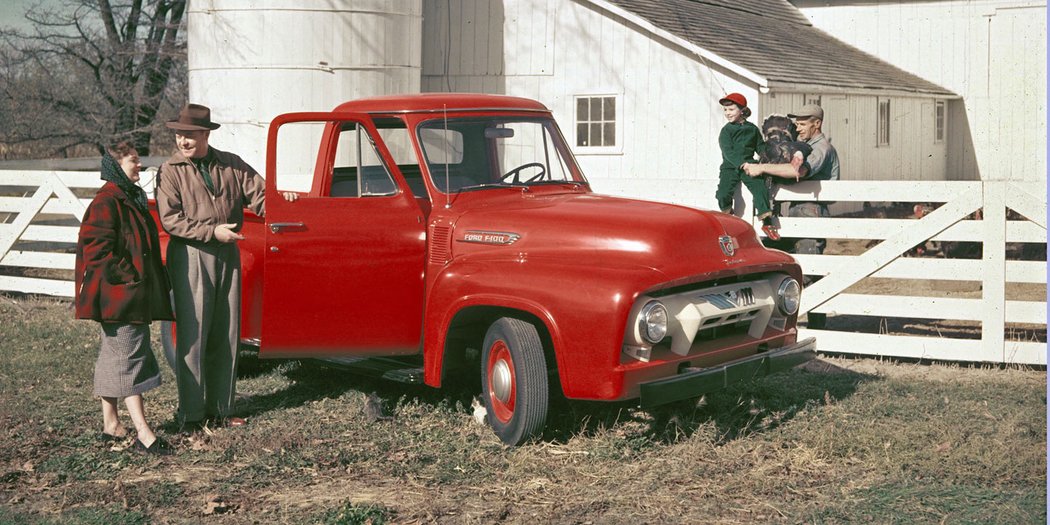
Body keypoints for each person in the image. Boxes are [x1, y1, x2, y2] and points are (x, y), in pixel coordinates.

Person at [156, 103, 297, 431]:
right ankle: (191, 415)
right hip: (191, 254)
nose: (183, 141)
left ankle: (221, 409)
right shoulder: (169, 171)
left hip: (227, 256)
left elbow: (261, 196)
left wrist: (284, 200)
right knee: (192, 336)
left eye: (190, 135)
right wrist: (211, 232)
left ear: (205, 134)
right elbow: (171, 219)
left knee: (226, 331)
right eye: (179, 135)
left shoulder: (230, 164)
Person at [75, 141, 175, 455]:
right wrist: (128, 278)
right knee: (131, 359)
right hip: (119, 298)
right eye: (134, 160)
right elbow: (96, 251)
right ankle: (144, 435)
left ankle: (111, 426)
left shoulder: (127, 197)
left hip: (123, 296)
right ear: (117, 164)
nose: (140, 165)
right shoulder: (107, 201)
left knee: (113, 358)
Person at [743, 103, 840, 328]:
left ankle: (818, 326)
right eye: (797, 123)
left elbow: (797, 171)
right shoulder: (802, 146)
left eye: (803, 123)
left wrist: (762, 168)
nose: (799, 127)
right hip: (792, 210)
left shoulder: (821, 148)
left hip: (810, 211)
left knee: (809, 270)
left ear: (817, 124)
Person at [714, 93, 780, 240]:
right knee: (723, 193)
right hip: (730, 167)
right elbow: (728, 151)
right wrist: (741, 164)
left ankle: (767, 222)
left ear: (742, 110)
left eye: (731, 109)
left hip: (750, 165)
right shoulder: (726, 131)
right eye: (725, 110)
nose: (727, 113)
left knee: (759, 188)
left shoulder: (752, 129)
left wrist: (766, 156)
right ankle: (727, 216)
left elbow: (760, 146)